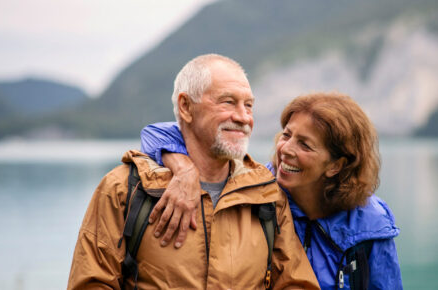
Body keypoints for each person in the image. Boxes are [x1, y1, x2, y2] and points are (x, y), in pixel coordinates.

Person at [68, 54, 319, 289]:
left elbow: (295, 283)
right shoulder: (124, 189)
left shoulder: (268, 195)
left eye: (249, 105)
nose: (244, 117)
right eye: (228, 102)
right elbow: (92, 282)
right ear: (186, 107)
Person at [141, 92, 403, 290]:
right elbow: (154, 133)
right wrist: (183, 168)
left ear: (336, 165)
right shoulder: (256, 188)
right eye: (287, 135)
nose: (286, 149)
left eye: (305, 145)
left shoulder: (370, 224)